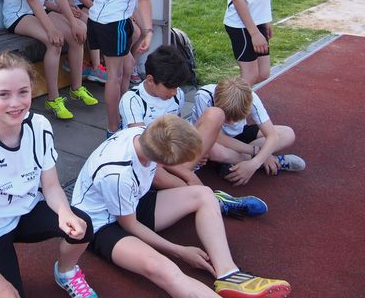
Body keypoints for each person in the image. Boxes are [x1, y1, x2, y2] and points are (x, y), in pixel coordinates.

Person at [71, 115, 292, 298]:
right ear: (163, 162)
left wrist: (189, 176)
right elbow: (130, 225)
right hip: (101, 225)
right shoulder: (117, 175)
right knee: (162, 268)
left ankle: (228, 274)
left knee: (204, 194)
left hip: (132, 202)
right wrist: (179, 251)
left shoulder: (147, 134)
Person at [0, 51, 98, 298]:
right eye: (4, 94)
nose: (15, 103)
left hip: (28, 211)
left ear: (31, 90)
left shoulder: (40, 126)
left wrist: (65, 213)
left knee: (83, 225)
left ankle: (66, 272)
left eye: (23, 92)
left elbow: (51, 186)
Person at [118, 46, 267, 217]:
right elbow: (145, 153)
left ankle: (200, 189)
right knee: (156, 172)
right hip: (149, 163)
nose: (174, 92)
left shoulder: (177, 94)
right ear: (150, 80)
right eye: (170, 87)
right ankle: (213, 198)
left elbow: (177, 129)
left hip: (171, 158)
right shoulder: (132, 100)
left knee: (215, 114)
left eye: (177, 87)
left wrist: (190, 151)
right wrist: (188, 175)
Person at [2, 0, 98, 121]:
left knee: (78, 33)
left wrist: (73, 22)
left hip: (38, 13)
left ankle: (76, 88)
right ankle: (53, 99)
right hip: (17, 15)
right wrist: (51, 29)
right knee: (55, 42)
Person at [87, 0, 159, 137]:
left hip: (97, 18)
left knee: (128, 66)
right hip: (113, 21)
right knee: (115, 76)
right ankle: (113, 129)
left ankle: (125, 115)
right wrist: (148, 30)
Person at [190, 76, 306, 186]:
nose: (231, 123)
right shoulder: (203, 96)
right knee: (214, 151)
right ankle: (273, 161)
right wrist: (259, 153)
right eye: (227, 118)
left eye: (236, 118)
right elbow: (218, 137)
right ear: (216, 102)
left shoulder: (251, 98)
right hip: (215, 140)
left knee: (288, 134)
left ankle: (235, 163)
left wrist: (253, 165)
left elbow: (272, 136)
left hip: (240, 135)